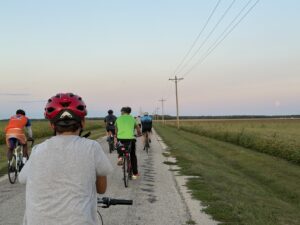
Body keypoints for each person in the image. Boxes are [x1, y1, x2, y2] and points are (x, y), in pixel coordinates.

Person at [19, 93, 113, 225]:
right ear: (83, 122)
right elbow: (101, 189)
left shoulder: (37, 150)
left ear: (52, 125)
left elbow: (23, 179)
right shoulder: (92, 147)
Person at [114, 106, 141, 179]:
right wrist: (139, 134)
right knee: (132, 155)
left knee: (120, 148)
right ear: (129, 112)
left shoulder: (118, 118)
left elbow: (116, 130)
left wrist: (116, 136)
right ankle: (135, 173)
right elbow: (138, 128)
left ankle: (120, 158)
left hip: (121, 138)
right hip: (130, 139)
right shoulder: (132, 118)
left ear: (123, 112)